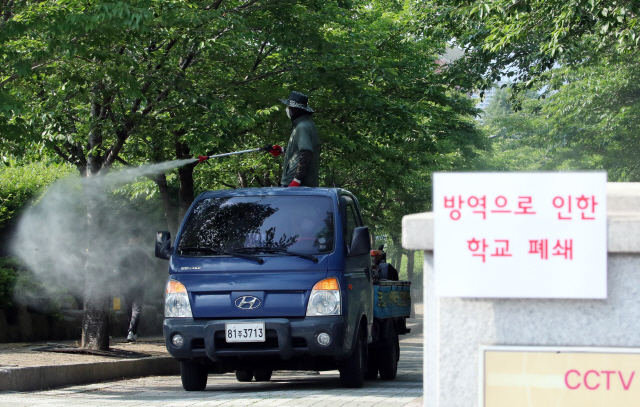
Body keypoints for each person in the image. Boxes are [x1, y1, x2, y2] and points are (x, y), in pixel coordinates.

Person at [264, 91, 321, 187]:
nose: (287, 109)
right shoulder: (307, 124)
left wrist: (297, 180)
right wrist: (282, 150)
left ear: (296, 109)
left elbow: (306, 152)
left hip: (297, 185)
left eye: (289, 107)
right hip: (303, 184)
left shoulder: (302, 127)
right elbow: (300, 152)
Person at [118, 227, 154, 343]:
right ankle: (132, 331)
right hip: (139, 282)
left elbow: (118, 268)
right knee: (137, 308)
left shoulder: (122, 250)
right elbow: (150, 265)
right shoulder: (142, 251)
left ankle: (130, 330)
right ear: (139, 237)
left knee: (129, 307)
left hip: (125, 283)